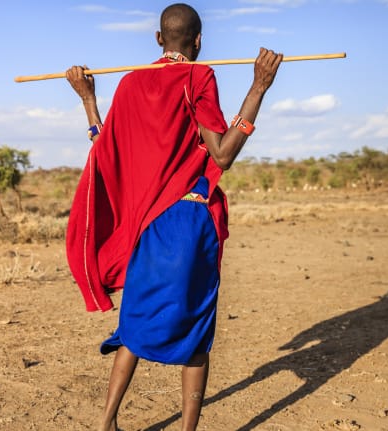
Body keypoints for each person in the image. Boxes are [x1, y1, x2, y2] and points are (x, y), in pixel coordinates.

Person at [64, 3, 282, 430]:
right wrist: (258, 88)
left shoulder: (129, 83)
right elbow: (222, 153)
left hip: (147, 227)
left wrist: (88, 99)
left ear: (158, 39)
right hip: (186, 220)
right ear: (199, 41)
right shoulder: (198, 77)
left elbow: (106, 148)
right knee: (197, 333)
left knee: (135, 323)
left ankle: (105, 423)